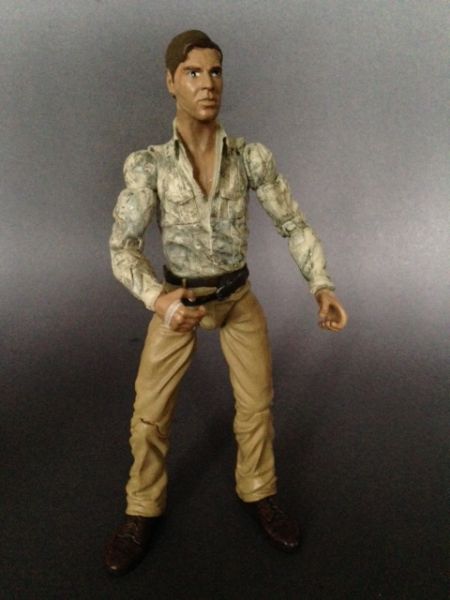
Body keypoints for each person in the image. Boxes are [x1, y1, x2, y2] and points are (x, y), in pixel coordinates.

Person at [105, 30, 347, 575]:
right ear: (170, 82)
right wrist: (159, 300)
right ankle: (142, 507)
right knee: (148, 416)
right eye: (192, 72)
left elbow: (292, 223)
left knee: (256, 406)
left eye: (215, 72)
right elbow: (122, 247)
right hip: (180, 303)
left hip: (237, 299)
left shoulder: (249, 158)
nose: (207, 84)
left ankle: (259, 490)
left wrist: (321, 285)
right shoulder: (150, 166)